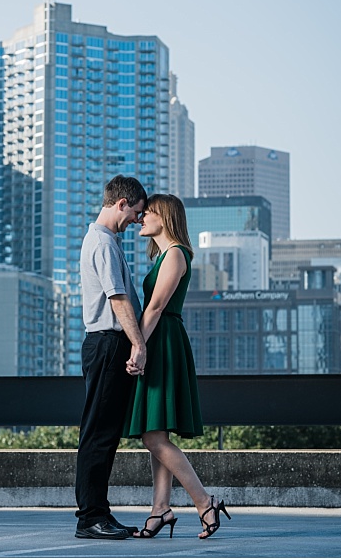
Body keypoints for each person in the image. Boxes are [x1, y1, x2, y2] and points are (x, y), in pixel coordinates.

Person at [124, 193, 232, 539]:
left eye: (148, 213)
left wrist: (137, 347)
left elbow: (155, 308)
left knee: (153, 436)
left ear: (164, 217)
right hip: (160, 340)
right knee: (156, 431)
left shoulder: (175, 255)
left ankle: (204, 501)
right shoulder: (167, 256)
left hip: (162, 341)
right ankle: (160, 510)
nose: (141, 219)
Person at [74, 174, 148, 540]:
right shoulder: (102, 242)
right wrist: (139, 344)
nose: (137, 220)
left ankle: (98, 513)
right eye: (135, 212)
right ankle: (90, 518)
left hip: (106, 343)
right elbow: (117, 299)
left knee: (105, 433)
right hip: (107, 343)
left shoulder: (106, 241)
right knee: (99, 434)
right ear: (121, 203)